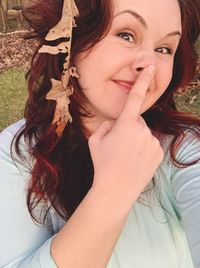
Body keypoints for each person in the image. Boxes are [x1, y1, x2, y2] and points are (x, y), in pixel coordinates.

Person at [0, 0, 200, 267]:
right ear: (74, 37)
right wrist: (113, 191)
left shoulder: (183, 147)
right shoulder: (17, 154)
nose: (148, 65)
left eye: (164, 49)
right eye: (126, 35)